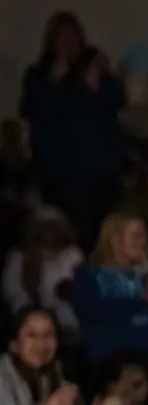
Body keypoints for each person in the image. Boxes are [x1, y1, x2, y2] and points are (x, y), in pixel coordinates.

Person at [20, 13, 126, 251]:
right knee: (69, 243)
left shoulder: (94, 71)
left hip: (102, 176)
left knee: (102, 243)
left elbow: (118, 100)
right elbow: (36, 112)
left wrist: (97, 84)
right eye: (62, 37)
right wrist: (53, 82)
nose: (69, 43)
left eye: (74, 36)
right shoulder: (39, 76)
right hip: (63, 179)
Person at [72, 213, 148, 385]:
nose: (142, 241)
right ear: (115, 239)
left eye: (144, 234)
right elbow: (93, 314)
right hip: (113, 365)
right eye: (135, 235)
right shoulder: (90, 277)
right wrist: (143, 300)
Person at [0, 307, 89, 405]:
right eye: (32, 335)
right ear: (14, 344)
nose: (41, 344)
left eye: (48, 335)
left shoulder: (63, 385)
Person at [2, 206, 84, 340]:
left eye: (52, 226)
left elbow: (70, 289)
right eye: (43, 227)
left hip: (65, 323)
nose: (48, 231)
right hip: (25, 321)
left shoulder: (72, 254)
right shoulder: (17, 256)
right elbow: (13, 292)